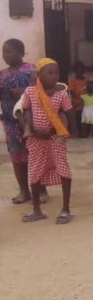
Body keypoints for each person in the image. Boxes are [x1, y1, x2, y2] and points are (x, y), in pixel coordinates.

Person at [20, 58, 74, 225]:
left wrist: (57, 131)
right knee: (35, 172)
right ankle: (37, 210)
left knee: (63, 170)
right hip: (36, 139)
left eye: (56, 73)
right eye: (49, 73)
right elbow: (26, 110)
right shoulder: (30, 92)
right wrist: (32, 130)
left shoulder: (61, 93)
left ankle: (66, 209)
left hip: (55, 138)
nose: (54, 76)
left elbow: (67, 113)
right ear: (39, 75)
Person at [0, 38, 40, 204]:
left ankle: (41, 190)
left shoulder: (32, 70)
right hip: (10, 122)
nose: (5, 55)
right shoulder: (2, 74)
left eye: (9, 51)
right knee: (17, 157)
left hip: (31, 120)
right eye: (3, 52)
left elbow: (42, 91)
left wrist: (24, 92)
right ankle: (24, 191)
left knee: (35, 156)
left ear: (21, 53)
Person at [68, 61, 89, 137]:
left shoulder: (87, 80)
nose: (80, 71)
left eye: (81, 70)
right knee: (79, 118)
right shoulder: (73, 81)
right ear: (75, 71)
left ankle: (87, 133)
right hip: (77, 102)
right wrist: (79, 100)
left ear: (84, 71)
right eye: (78, 70)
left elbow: (90, 89)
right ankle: (80, 133)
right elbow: (72, 92)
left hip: (86, 102)